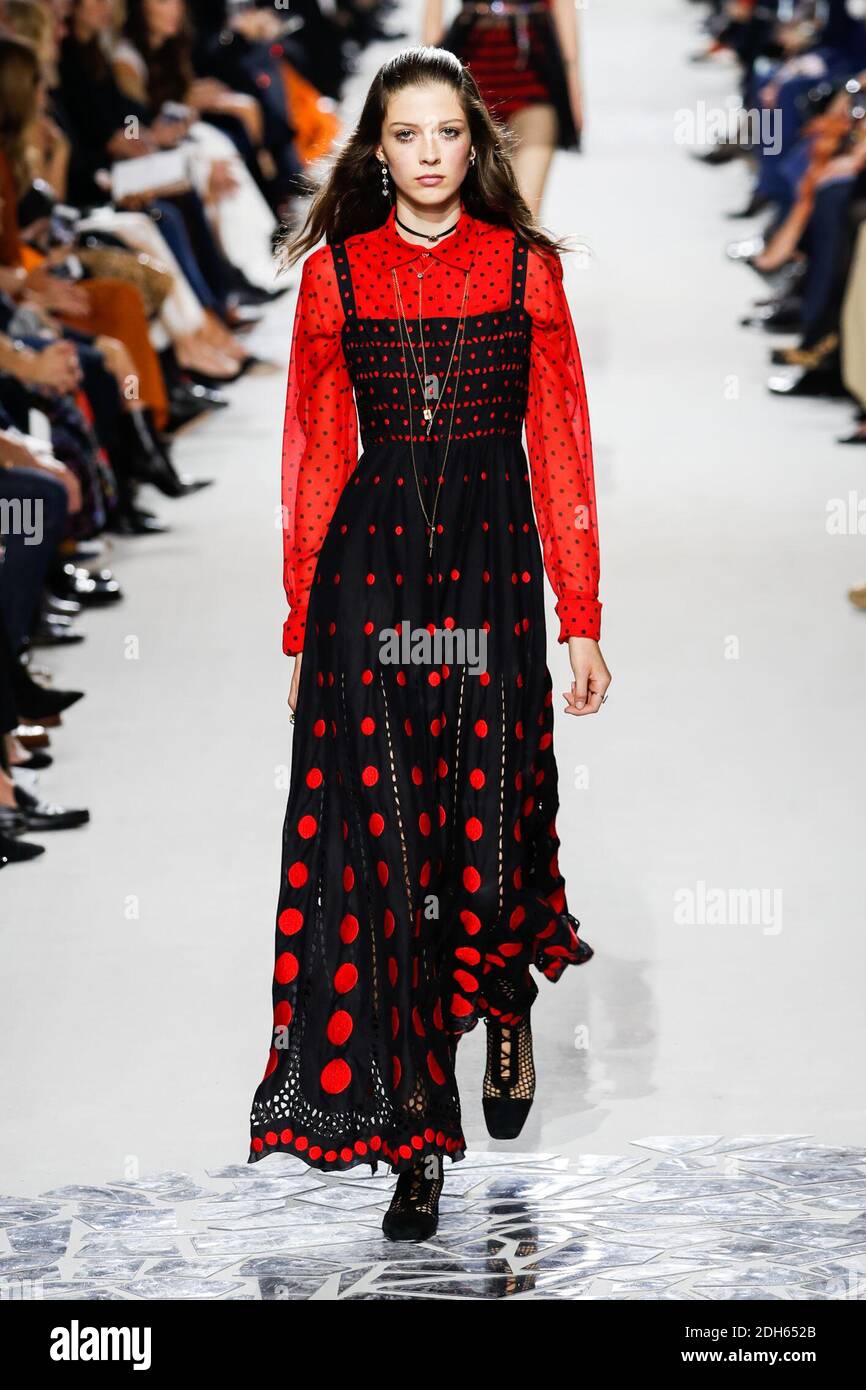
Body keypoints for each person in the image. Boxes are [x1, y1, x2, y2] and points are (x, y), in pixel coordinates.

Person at [247, 44, 610, 1242]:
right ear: (376, 150)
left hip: (492, 569)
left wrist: (582, 620)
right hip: (373, 585)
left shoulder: (525, 270)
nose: (428, 155)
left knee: (494, 830)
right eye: (404, 136)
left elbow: (559, 444)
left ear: (474, 143)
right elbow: (310, 459)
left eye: (447, 133)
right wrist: (304, 621)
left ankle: (503, 990)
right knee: (389, 865)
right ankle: (417, 1133)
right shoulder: (335, 279)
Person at [423, 0, 584, 218]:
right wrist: (426, 82)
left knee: (525, 211)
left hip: (535, 69)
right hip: (473, 71)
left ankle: (520, 249)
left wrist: (573, 87)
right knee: (475, 209)